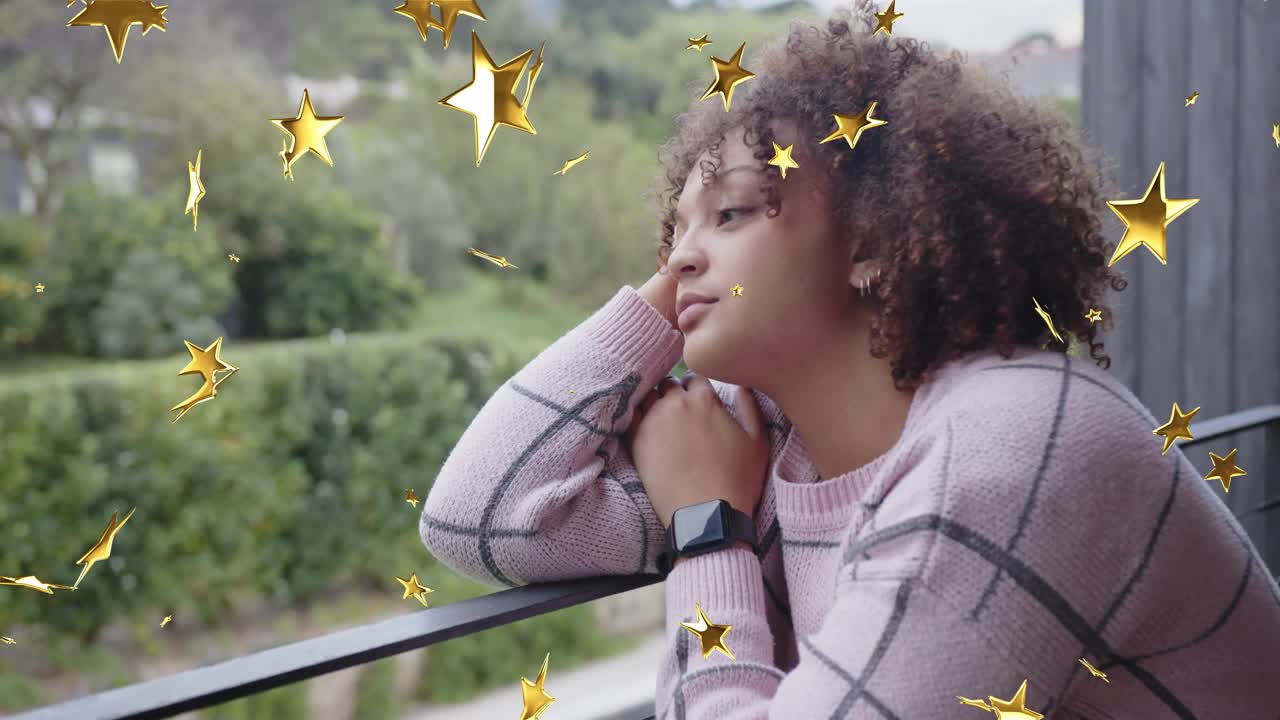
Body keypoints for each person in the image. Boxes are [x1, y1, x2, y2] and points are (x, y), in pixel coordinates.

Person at [420, 1, 1280, 717]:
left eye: (733, 213)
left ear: (872, 240)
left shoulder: (1007, 449)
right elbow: (480, 519)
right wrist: (661, 310)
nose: (677, 258)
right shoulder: (770, 445)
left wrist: (707, 533)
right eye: (673, 230)